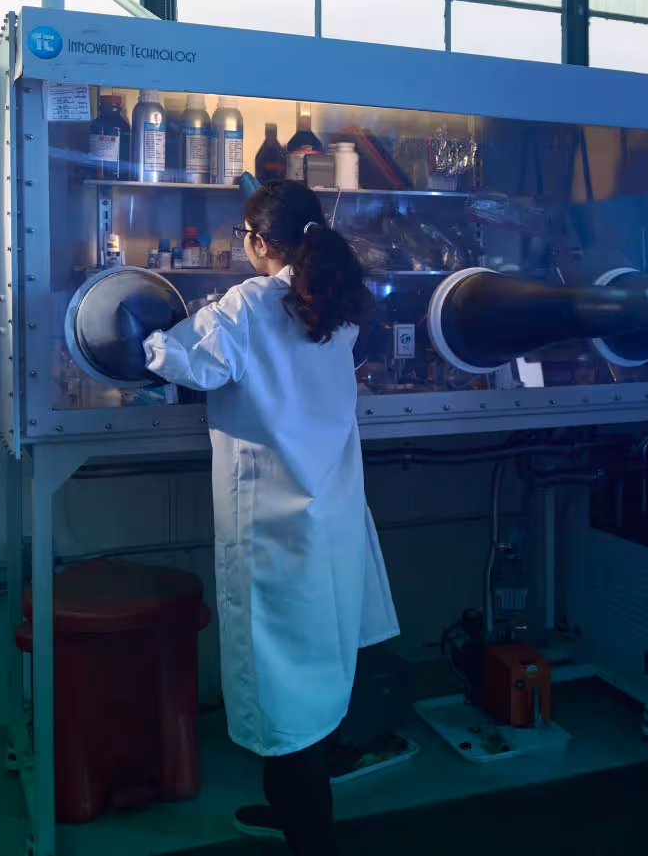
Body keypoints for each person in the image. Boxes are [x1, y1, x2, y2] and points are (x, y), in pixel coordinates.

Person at [142, 179, 399, 856]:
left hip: (277, 531)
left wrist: (139, 327)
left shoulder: (250, 304)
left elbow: (174, 356)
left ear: (257, 242)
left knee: (286, 693)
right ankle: (291, 812)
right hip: (329, 518)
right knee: (315, 679)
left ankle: (310, 837)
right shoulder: (336, 305)